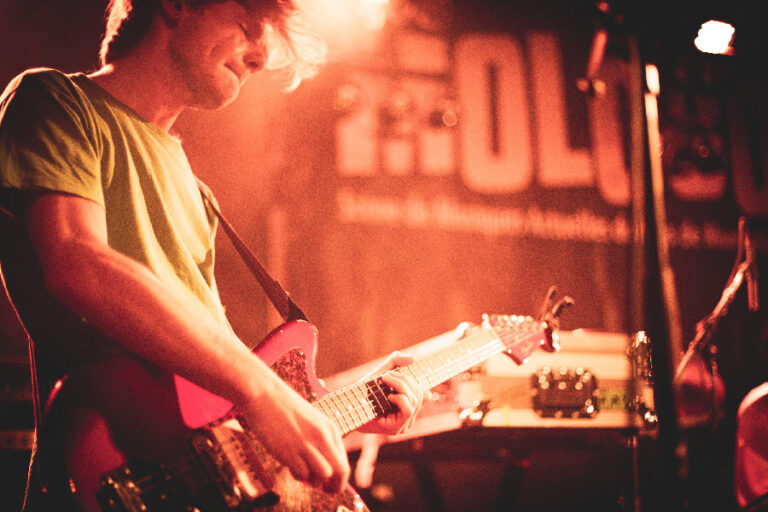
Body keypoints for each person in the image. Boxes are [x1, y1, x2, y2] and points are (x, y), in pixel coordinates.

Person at [0, 0, 429, 510]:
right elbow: (77, 262)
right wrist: (263, 393)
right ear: (179, 5)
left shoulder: (199, 194)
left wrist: (341, 406)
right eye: (250, 27)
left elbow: (218, 393)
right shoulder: (55, 100)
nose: (262, 58)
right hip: (115, 472)